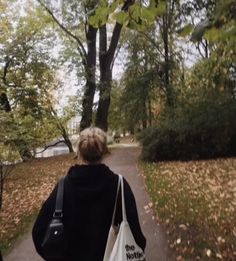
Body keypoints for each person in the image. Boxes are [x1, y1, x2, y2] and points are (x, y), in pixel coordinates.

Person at [32, 127, 146, 261]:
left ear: (79, 152)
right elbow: (136, 236)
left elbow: (39, 233)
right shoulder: (119, 185)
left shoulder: (64, 187)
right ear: (105, 151)